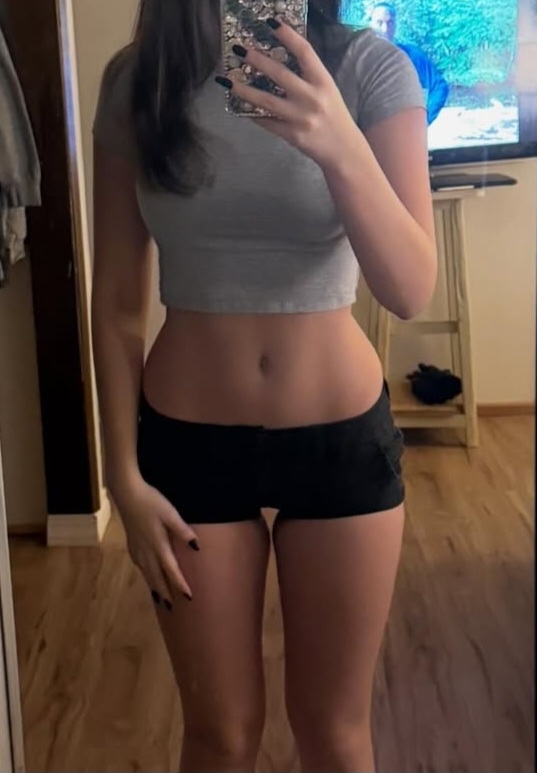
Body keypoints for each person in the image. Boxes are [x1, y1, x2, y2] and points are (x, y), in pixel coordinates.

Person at [91, 0, 436, 770]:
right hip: (187, 446)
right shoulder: (139, 80)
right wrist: (121, 476)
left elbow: (409, 289)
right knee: (218, 734)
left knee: (334, 731)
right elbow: (115, 304)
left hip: (339, 435)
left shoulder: (369, 69)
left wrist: (340, 144)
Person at [369, 1, 449, 125]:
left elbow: (439, 85)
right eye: (379, 23)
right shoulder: (359, 58)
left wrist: (424, 120)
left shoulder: (411, 55)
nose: (385, 29)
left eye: (390, 23)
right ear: (370, 25)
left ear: (395, 25)